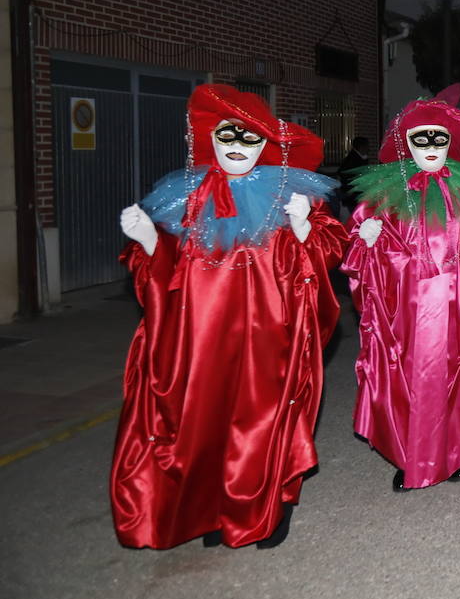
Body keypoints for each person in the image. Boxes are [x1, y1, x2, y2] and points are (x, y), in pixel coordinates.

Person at [111, 84, 345, 549]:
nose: (237, 146)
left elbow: (327, 253)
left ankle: (267, 508)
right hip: (201, 334)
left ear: (265, 145)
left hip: (266, 332)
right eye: (228, 135)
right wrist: (151, 243)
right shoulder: (187, 198)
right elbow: (168, 272)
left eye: (249, 137)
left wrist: (301, 231)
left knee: (261, 419)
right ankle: (214, 508)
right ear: (212, 139)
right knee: (205, 421)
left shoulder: (286, 196)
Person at [343, 94, 460, 491]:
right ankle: (410, 455)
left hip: (456, 306)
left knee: (456, 375)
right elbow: (358, 252)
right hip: (406, 309)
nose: (432, 147)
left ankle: (453, 451)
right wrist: (368, 242)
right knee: (406, 380)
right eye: (422, 139)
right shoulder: (384, 198)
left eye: (439, 139)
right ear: (408, 144)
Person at [338, 136, 371, 211]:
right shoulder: (353, 160)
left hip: (354, 195)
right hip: (353, 196)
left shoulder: (358, 158)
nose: (368, 149)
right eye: (367, 146)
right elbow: (346, 177)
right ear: (361, 147)